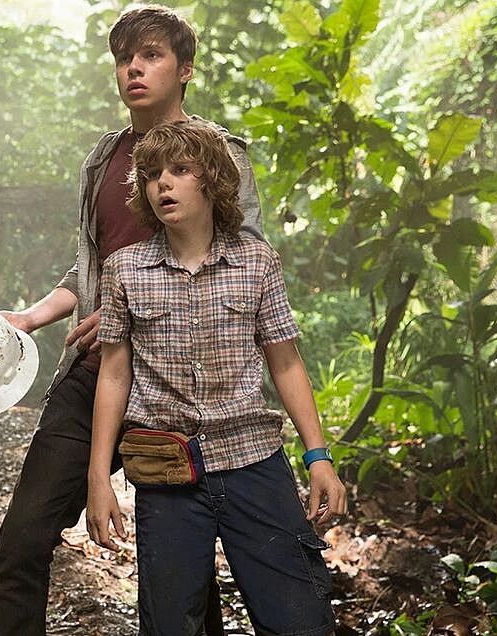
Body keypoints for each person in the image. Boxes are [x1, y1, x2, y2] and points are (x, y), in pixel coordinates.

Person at [0, 6, 264, 634]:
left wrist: (131, 316)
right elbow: (91, 268)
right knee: (24, 537)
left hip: (182, 386)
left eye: (151, 56)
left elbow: (244, 267)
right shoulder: (103, 159)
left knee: (183, 570)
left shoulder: (221, 155)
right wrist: (31, 317)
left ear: (185, 69)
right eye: (124, 59)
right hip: (96, 374)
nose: (134, 69)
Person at [85, 120, 347, 635]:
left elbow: (286, 362)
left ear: (213, 182)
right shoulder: (124, 270)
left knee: (299, 619)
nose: (163, 184)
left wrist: (318, 458)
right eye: (152, 175)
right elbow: (114, 375)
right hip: (168, 473)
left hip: (253, 462)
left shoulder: (257, 262)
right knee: (170, 625)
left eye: (180, 170)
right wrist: (99, 478)